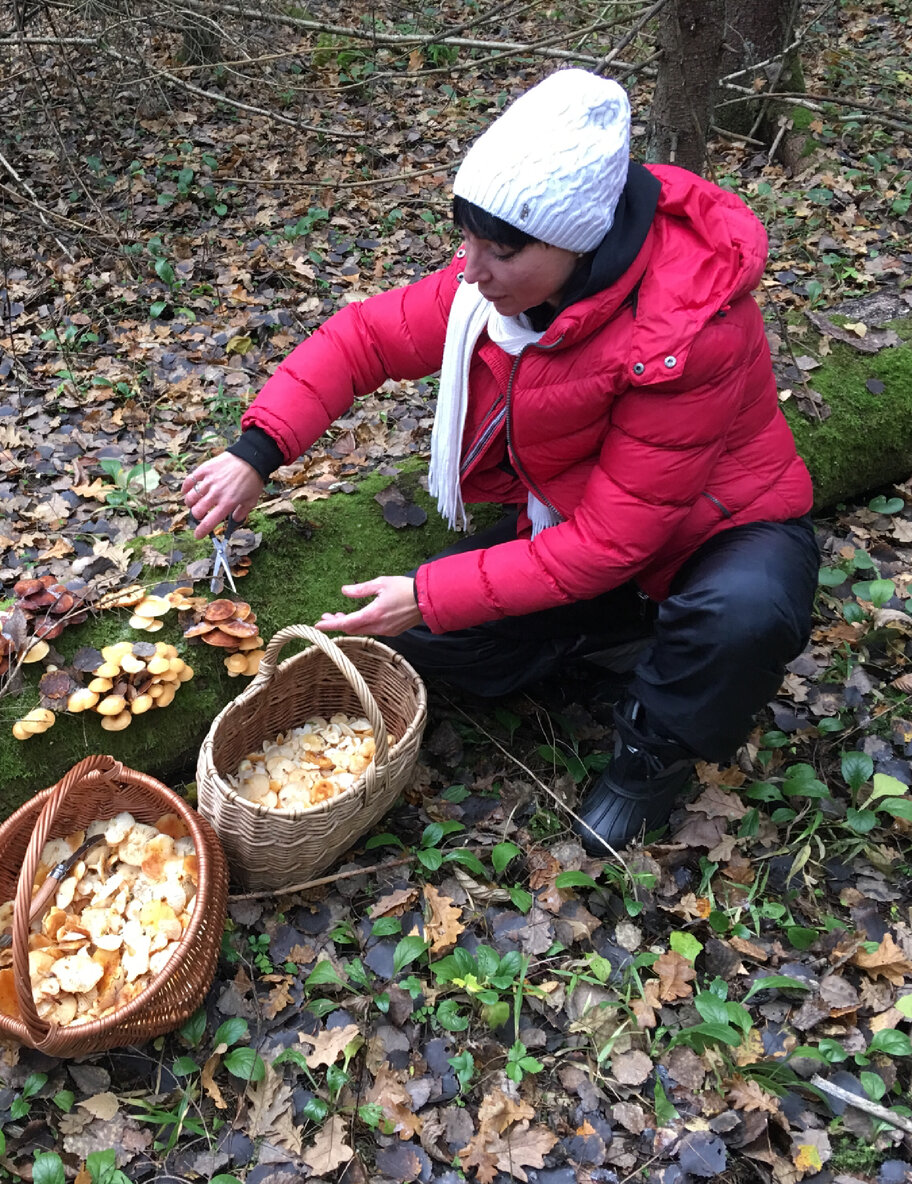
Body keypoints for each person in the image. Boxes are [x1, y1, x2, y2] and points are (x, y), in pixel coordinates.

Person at [182, 67, 818, 853]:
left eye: (500, 250)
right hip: (588, 532)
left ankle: (651, 758)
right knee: (426, 643)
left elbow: (615, 543)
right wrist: (257, 450)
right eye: (467, 237)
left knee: (743, 615)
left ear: (574, 239)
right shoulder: (497, 289)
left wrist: (428, 591)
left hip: (718, 533)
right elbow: (365, 340)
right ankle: (620, 638)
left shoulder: (684, 333)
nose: (470, 269)